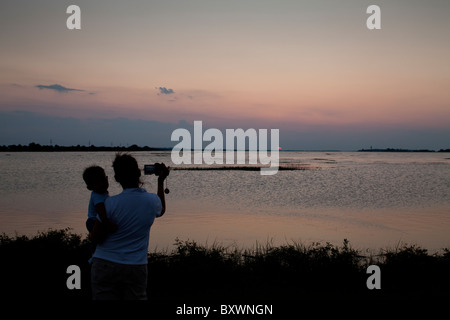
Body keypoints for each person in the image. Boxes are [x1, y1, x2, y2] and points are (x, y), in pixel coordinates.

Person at [90, 153, 169, 300]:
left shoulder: (108, 204)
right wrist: (160, 181)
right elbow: (161, 209)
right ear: (139, 173)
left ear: (116, 178)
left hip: (104, 263)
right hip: (136, 265)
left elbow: (94, 237)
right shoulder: (152, 201)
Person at [82, 166, 117, 241]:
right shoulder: (97, 196)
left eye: (103, 180)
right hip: (94, 222)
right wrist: (109, 224)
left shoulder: (102, 193)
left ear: (107, 178)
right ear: (90, 187)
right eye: (97, 182)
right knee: (100, 239)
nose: (102, 184)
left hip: (96, 221)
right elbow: (101, 214)